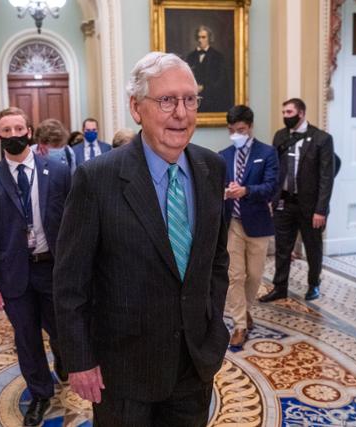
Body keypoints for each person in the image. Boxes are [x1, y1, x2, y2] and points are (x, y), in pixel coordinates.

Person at [53, 52, 229, 427]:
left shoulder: (211, 168)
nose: (181, 113)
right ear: (136, 108)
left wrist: (213, 327)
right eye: (166, 100)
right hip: (123, 371)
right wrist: (80, 359)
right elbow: (71, 283)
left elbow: (216, 259)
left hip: (193, 363)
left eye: (190, 99)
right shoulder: (96, 179)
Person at [0, 107, 71, 426]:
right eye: (7, 130)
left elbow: (74, 220)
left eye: (19, 128)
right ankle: (41, 393)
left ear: (29, 131)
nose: (14, 135)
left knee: (61, 328)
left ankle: (65, 362)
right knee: (26, 337)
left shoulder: (57, 170)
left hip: (52, 267)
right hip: (13, 274)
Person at [260, 98, 335, 303]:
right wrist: (271, 199)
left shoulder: (321, 139)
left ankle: (313, 285)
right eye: (283, 112)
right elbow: (274, 169)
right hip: (284, 202)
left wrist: (321, 209)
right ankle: (279, 287)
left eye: (289, 112)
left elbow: (326, 178)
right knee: (283, 248)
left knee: (313, 247)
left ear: (301, 113)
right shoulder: (280, 136)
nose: (285, 116)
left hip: (310, 206)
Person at [219, 105, 278, 347]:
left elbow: (271, 187)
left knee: (254, 276)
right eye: (232, 130)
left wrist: (246, 191)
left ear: (250, 127)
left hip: (258, 223)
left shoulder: (267, 152)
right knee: (235, 276)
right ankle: (239, 324)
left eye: (240, 130)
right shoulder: (223, 155)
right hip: (232, 222)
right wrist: (224, 193)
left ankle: (245, 310)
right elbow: (215, 187)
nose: (236, 135)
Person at [185, 25, 231, 113]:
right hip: (193, 101)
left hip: (212, 100)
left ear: (209, 38)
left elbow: (221, 80)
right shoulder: (190, 56)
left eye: (203, 37)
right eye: (198, 37)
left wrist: (204, 87)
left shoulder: (218, 57)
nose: (200, 40)